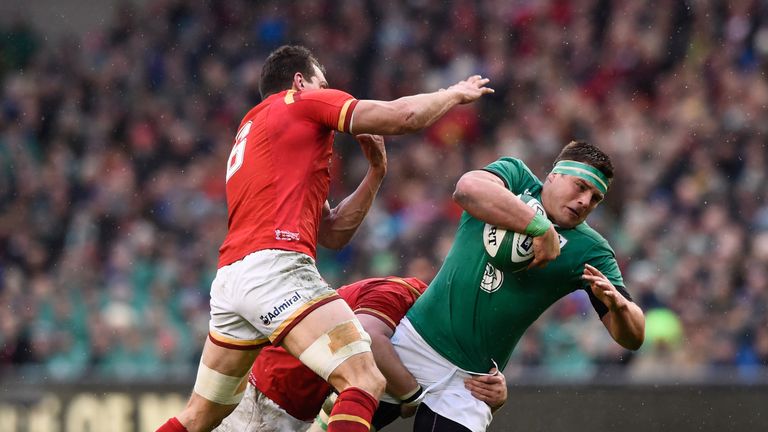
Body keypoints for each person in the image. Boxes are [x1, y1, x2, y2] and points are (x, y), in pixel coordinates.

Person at [157, 45, 493, 432]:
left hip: (233, 279)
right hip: (276, 268)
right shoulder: (298, 104)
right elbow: (405, 116)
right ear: (300, 81)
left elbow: (332, 232)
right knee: (364, 378)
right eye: (323, 83)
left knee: (200, 416)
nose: (327, 90)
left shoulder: (260, 134)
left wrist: (376, 172)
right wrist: (452, 94)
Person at [389, 140, 646, 432]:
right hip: (413, 342)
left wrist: (619, 306)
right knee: (341, 419)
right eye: (580, 186)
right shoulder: (515, 177)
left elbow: (633, 337)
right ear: (554, 175)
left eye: (595, 198)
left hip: (471, 385)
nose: (586, 201)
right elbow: (467, 188)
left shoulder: (591, 250)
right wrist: (539, 227)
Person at [212, 276, 507, 432]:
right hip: (276, 392)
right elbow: (367, 339)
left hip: (310, 401)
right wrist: (411, 395)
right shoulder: (400, 293)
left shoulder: (438, 337)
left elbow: (457, 388)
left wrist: (494, 396)